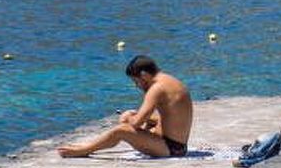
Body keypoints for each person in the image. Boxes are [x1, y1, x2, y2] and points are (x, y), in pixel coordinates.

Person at [58, 55, 193, 158]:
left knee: (121, 130)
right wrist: (138, 117)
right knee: (131, 118)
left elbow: (135, 124)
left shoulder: (156, 89)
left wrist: (127, 118)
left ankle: (84, 150)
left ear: (144, 75)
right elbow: (170, 117)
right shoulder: (170, 80)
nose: (137, 86)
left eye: (136, 81)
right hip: (177, 145)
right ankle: (88, 147)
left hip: (171, 148)